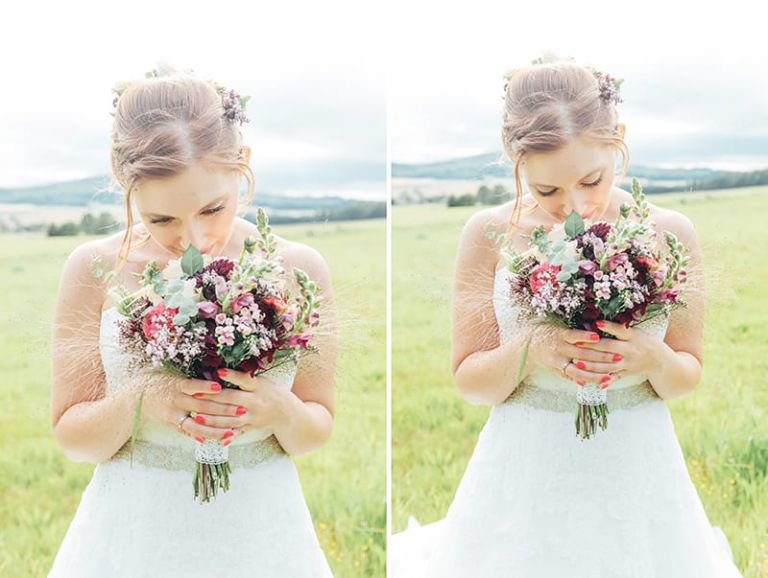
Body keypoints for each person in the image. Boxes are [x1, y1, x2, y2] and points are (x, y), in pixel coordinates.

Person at [390, 57, 743, 577]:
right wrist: (532, 349)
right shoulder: (486, 235)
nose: (573, 207)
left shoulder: (671, 233)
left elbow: (686, 374)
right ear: (517, 163)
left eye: (591, 180)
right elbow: (470, 382)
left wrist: (650, 356)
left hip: (637, 469)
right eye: (546, 191)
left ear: (617, 139)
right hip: (526, 471)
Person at [48, 66, 336, 577]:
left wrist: (278, 409)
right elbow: (73, 438)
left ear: (241, 165)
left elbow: (314, 431)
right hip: (134, 532)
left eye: (213, 208)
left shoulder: (299, 267)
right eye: (161, 220)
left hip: (261, 530)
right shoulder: (93, 270)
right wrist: (143, 401)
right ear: (126, 187)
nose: (193, 239)